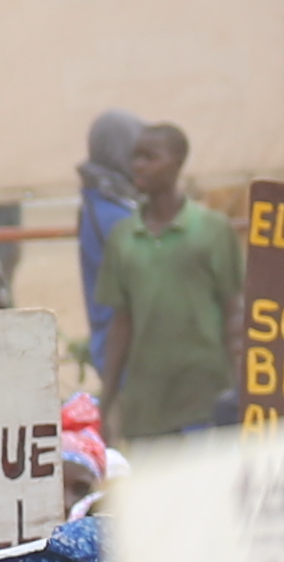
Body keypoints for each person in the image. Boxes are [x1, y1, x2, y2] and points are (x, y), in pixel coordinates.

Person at [95, 119, 243, 443]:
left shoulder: (213, 230)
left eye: (150, 157)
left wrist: (242, 386)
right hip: (147, 407)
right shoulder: (123, 238)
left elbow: (234, 311)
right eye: (135, 156)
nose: (138, 165)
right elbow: (121, 323)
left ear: (177, 162)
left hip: (206, 400)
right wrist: (106, 403)